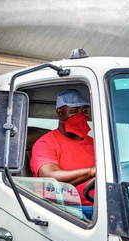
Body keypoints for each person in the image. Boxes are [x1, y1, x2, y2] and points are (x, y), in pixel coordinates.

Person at [30, 89, 96, 219]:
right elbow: (50, 177)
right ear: (60, 113)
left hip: (101, 206)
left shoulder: (95, 144)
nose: (81, 115)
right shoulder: (46, 143)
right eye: (74, 111)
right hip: (67, 210)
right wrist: (91, 172)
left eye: (84, 111)